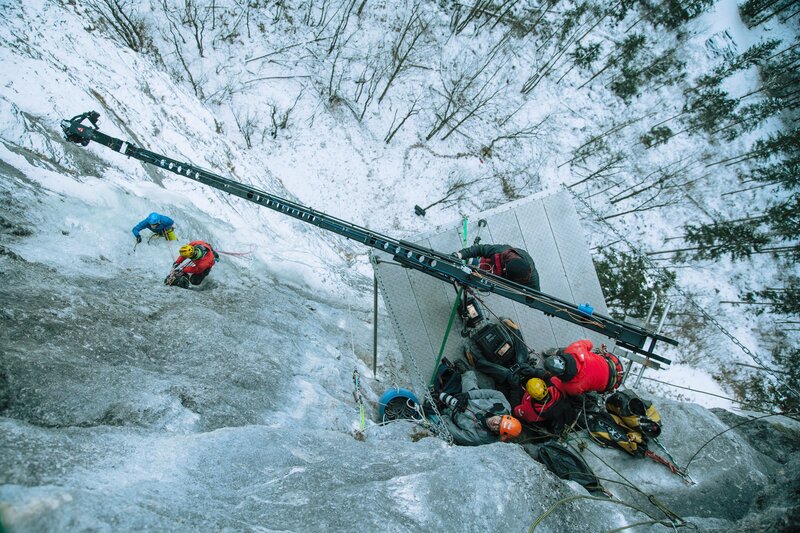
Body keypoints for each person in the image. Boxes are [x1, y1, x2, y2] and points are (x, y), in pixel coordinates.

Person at [435, 369, 523, 446]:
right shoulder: (504, 406)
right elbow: (495, 394)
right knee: (469, 376)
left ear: (497, 433)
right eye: (500, 420)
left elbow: (454, 431)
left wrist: (441, 413)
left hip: (453, 413)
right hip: (469, 397)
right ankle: (464, 371)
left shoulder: (479, 439)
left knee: (435, 416)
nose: (495, 422)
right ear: (503, 416)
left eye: (498, 427)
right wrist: (468, 395)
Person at [465, 317, 537, 406]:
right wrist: (533, 371)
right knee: (522, 357)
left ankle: (476, 362)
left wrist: (514, 388)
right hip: (524, 374)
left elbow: (513, 406)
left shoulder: (530, 410)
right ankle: (514, 330)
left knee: (504, 373)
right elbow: (544, 375)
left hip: (511, 384)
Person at [536, 340, 623, 397]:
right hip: (611, 367)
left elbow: (560, 386)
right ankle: (556, 351)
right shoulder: (575, 348)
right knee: (565, 350)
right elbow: (589, 343)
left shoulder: (572, 387)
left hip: (609, 382)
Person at [453, 243, 540, 291]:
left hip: (497, 281)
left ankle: (473, 280)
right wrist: (460, 254)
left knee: (483, 286)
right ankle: (475, 264)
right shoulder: (501, 251)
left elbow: (536, 295)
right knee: (483, 268)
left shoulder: (532, 278)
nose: (504, 269)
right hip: (490, 266)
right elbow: (480, 249)